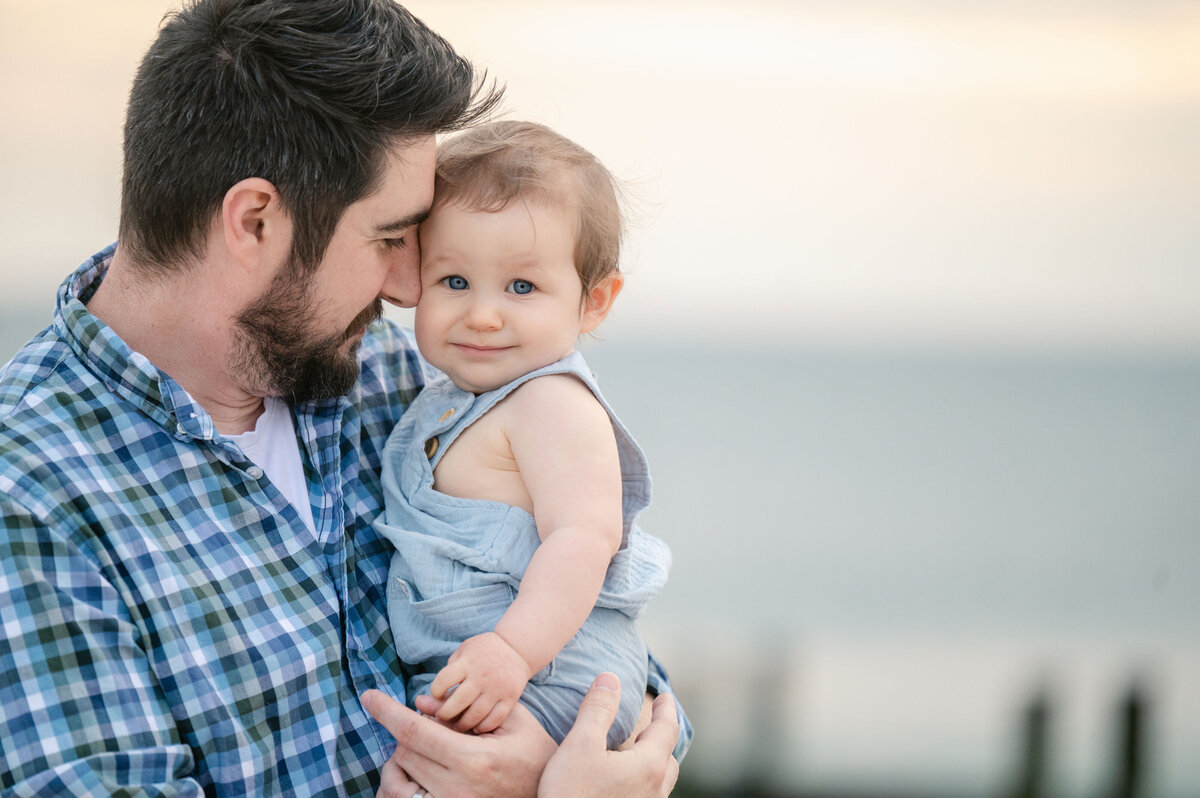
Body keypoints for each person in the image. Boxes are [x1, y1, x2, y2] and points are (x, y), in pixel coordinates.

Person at [0, 1, 686, 796]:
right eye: (392, 239)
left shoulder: (393, 379)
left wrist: (550, 759)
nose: (408, 288)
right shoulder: (30, 495)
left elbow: (622, 664)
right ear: (255, 220)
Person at [373, 121, 677, 754]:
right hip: (498, 668)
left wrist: (512, 650)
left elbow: (584, 538)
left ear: (594, 302)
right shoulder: (449, 401)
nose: (483, 314)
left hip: (551, 671)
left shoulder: (550, 403)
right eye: (454, 281)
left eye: (522, 287)